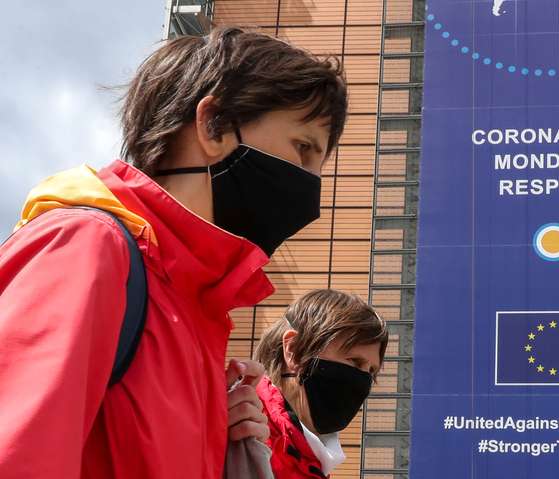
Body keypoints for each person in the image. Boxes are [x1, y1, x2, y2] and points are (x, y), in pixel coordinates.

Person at [0, 27, 347, 478]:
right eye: (303, 149)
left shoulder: (194, 311)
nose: (312, 184)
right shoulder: (88, 248)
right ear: (214, 125)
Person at [246, 289, 389, 479]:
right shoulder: (237, 432)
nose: (362, 380)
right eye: (355, 361)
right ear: (294, 351)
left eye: (371, 371)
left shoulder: (310, 462)